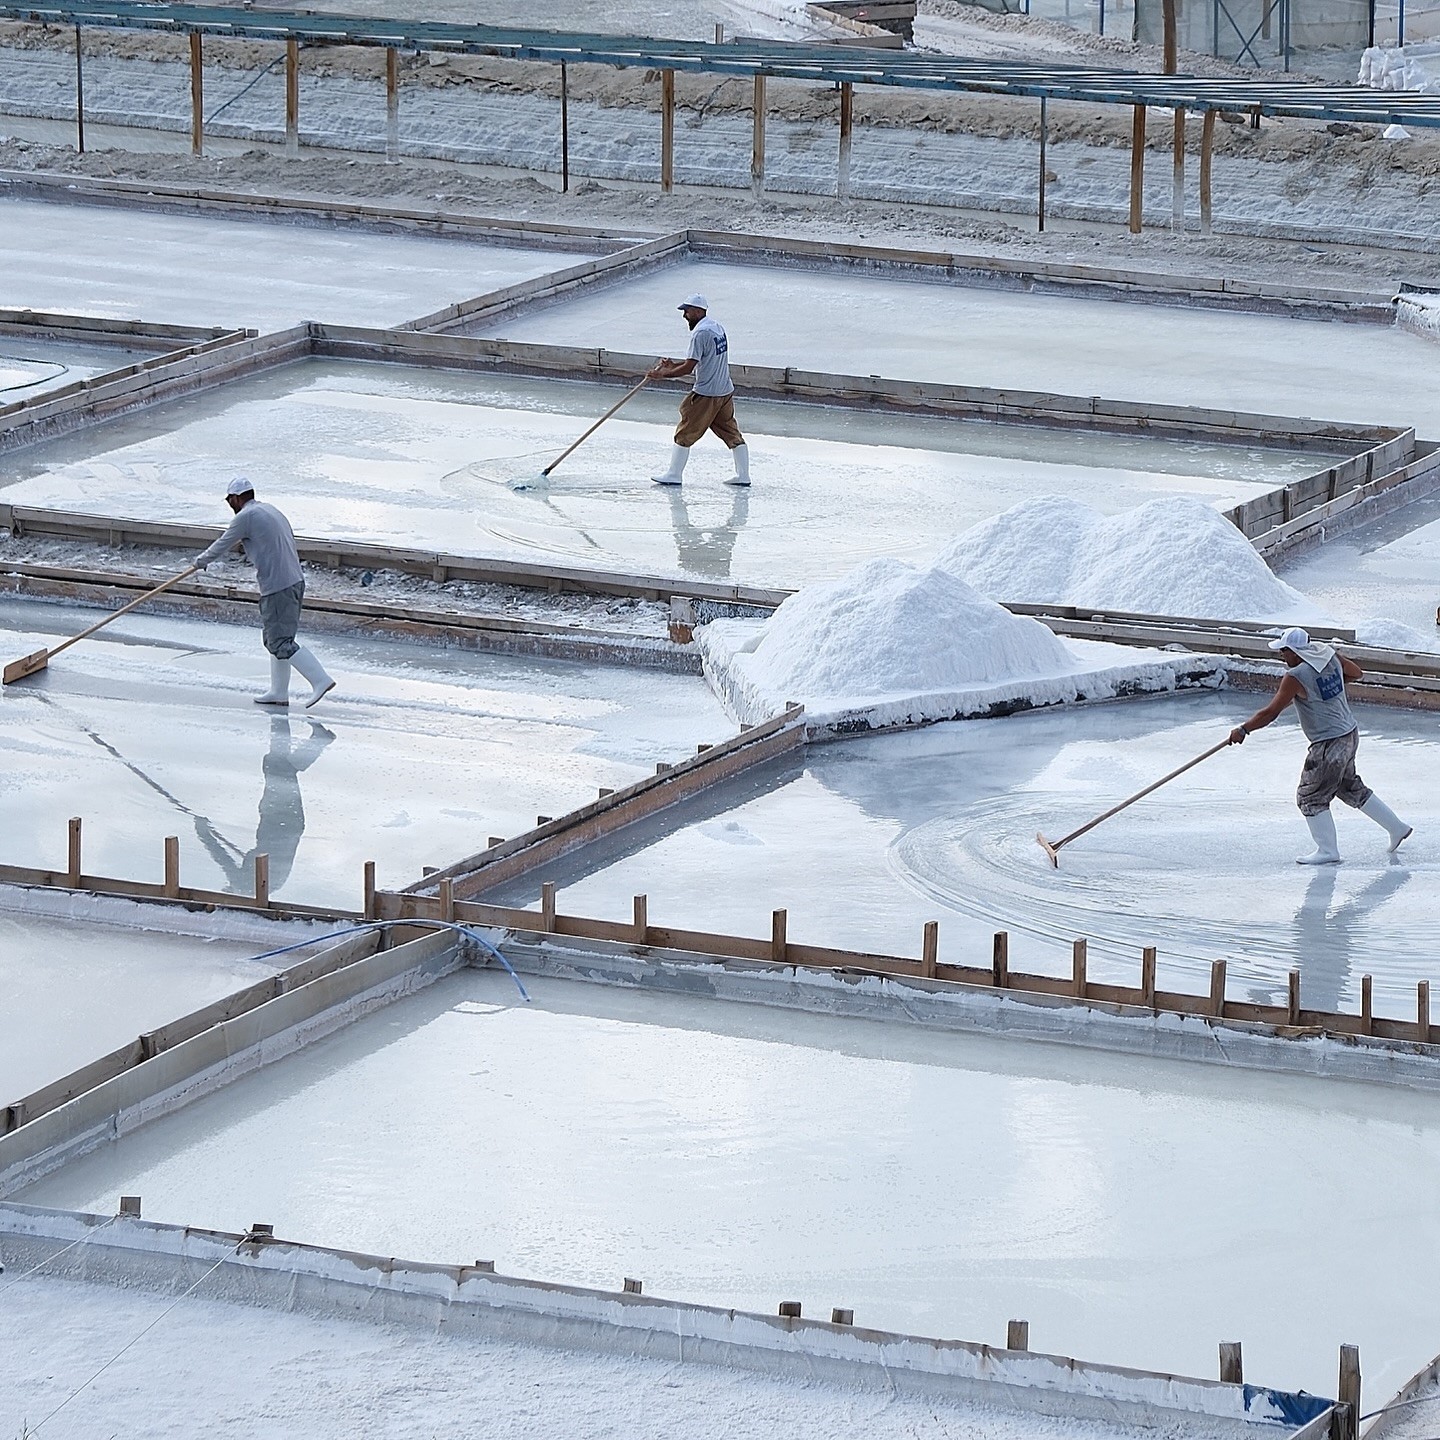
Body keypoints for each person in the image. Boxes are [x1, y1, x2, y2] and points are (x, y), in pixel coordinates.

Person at [1229, 626, 1410, 864]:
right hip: (1349, 734)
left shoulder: (1295, 676)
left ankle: (1327, 851)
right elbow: (1356, 673)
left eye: (1284, 651)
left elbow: (1271, 712)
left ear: (1295, 651)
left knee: (1310, 796)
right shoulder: (1329, 656)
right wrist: (1329, 685)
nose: (1283, 656)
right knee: (1349, 787)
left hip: (1328, 744)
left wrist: (1243, 729)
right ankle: (1397, 827)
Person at [193, 478, 335, 709]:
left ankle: (320, 679)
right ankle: (279, 692)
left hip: (278, 585)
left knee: (280, 641)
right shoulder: (269, 510)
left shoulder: (245, 517)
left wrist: (200, 562)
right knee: (276, 639)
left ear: (237, 498)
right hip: (293, 581)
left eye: (230, 500)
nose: (230, 504)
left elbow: (224, 542)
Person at [647, 293, 750, 488]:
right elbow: (698, 360)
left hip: (707, 393)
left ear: (697, 311)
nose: (684, 315)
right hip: (724, 390)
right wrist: (671, 366)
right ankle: (743, 476)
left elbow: (688, 368)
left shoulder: (700, 333)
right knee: (731, 432)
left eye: (686, 311)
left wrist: (662, 375)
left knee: (685, 431)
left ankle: (674, 474)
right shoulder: (717, 328)